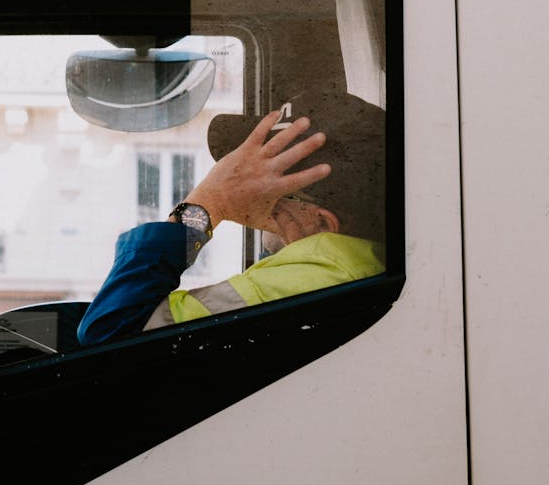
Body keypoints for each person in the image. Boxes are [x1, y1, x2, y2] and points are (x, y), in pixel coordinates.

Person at [76, 91, 386, 346]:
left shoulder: (307, 282)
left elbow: (110, 334)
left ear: (322, 224)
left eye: (270, 188)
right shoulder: (356, 267)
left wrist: (211, 201)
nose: (251, 195)